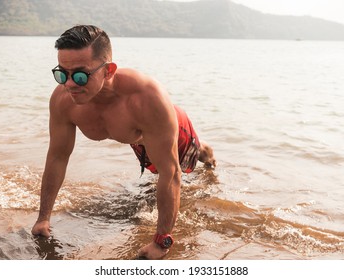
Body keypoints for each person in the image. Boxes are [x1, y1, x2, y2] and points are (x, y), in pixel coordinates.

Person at [31, 25, 216, 260]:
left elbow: (172, 174)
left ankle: (204, 149)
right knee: (153, 171)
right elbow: (57, 156)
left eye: (79, 75)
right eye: (62, 74)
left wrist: (162, 242)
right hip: (135, 135)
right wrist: (43, 218)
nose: (68, 84)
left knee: (181, 162)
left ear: (108, 71)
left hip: (166, 123)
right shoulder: (63, 99)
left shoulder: (147, 99)